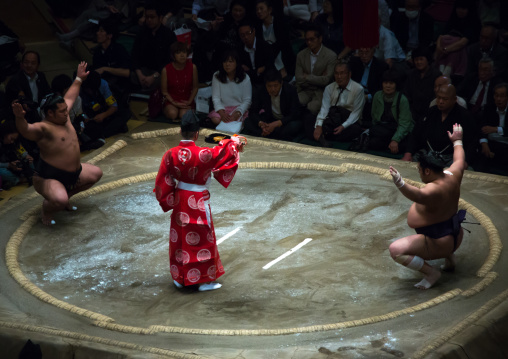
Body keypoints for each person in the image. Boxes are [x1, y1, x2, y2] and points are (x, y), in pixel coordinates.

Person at [154, 111, 246, 291]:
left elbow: (162, 182)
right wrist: (233, 141)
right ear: (197, 134)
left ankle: (180, 278)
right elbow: (223, 153)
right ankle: (203, 280)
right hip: (198, 201)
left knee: (180, 237)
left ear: (181, 131)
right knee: (202, 238)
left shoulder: (170, 154)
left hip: (181, 198)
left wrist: (169, 200)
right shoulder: (204, 154)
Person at [12, 62, 103, 225]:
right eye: (62, 111)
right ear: (50, 113)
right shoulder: (44, 128)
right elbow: (25, 129)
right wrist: (20, 118)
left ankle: (65, 196)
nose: (66, 112)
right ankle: (47, 210)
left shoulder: (63, 114)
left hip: (72, 174)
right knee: (59, 200)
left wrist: (78, 79)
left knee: (96, 173)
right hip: (48, 178)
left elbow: (70, 96)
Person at [388, 123, 467, 289]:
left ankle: (432, 273)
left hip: (439, 242)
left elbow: (418, 195)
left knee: (396, 250)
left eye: (419, 170)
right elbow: (459, 159)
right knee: (441, 218)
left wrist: (400, 183)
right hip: (455, 236)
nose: (419, 172)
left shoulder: (433, 189)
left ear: (427, 171)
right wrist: (457, 141)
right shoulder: (452, 174)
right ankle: (450, 259)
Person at [402, 84, 477, 167]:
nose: (441, 101)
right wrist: (408, 153)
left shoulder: (464, 116)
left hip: (451, 158)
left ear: (454, 99)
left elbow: (472, 142)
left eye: (445, 99)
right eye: (438, 98)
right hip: (428, 154)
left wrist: (465, 161)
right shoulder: (431, 112)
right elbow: (415, 134)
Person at [354, 69, 414, 154]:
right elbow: (374, 118)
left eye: (391, 83)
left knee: (402, 146)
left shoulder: (402, 99)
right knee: (374, 141)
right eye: (385, 83)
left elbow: (404, 124)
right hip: (382, 129)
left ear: (396, 85)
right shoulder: (377, 95)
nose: (388, 86)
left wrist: (395, 140)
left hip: (397, 129)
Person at [308, 62, 365, 143]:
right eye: (336, 73)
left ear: (349, 74)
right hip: (332, 119)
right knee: (309, 118)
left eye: (342, 73)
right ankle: (326, 135)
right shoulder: (329, 88)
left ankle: (326, 137)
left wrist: (343, 126)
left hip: (348, 121)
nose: (339, 77)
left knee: (355, 130)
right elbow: (324, 108)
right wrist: (319, 125)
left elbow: (356, 113)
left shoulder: (358, 89)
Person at [242, 69, 302, 140]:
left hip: (285, 122)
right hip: (270, 120)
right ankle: (268, 132)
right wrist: (261, 124)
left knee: (294, 126)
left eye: (275, 86)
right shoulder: (262, 91)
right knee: (247, 121)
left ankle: (266, 134)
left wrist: (277, 124)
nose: (272, 89)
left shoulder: (290, 90)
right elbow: (253, 111)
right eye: (269, 86)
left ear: (281, 83)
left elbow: (295, 114)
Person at [130, 2, 177, 92]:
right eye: (147, 17)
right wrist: (140, 75)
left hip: (160, 73)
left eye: (152, 17)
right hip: (143, 71)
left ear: (160, 18)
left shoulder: (169, 35)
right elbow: (134, 55)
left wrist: (154, 76)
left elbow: (170, 60)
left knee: (164, 80)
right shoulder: (142, 33)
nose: (149, 20)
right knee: (130, 75)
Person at [295, 26, 337, 117]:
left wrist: (307, 77)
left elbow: (327, 80)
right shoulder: (301, 55)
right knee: (295, 101)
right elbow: (298, 78)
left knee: (313, 107)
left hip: (321, 91)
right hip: (304, 90)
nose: (309, 42)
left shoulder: (331, 56)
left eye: (312, 39)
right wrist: (318, 79)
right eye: (307, 40)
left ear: (320, 39)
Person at [209, 49, 252, 134]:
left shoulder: (245, 77)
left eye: (231, 61)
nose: (227, 64)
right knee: (216, 119)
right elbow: (216, 98)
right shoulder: (217, 76)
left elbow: (247, 100)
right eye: (225, 61)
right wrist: (222, 113)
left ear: (236, 63)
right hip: (223, 109)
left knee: (244, 121)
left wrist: (238, 113)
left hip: (238, 109)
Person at [254, 0, 295, 80]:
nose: (259, 11)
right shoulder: (257, 26)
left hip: (281, 54)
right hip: (267, 56)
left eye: (261, 9)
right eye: (257, 9)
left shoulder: (280, 23)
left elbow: (283, 43)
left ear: (269, 10)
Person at [350, 47, 389, 127]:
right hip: (356, 93)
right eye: (361, 52)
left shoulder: (381, 66)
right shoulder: (354, 62)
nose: (364, 55)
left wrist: (367, 97)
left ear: (373, 51)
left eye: (367, 52)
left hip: (372, 96)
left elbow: (382, 89)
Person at [161, 42, 198, 122]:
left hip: (187, 100)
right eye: (178, 53)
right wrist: (174, 102)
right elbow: (164, 91)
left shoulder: (192, 67)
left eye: (184, 52)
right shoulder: (166, 69)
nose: (182, 55)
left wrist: (189, 102)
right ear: (173, 55)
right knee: (172, 114)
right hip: (171, 100)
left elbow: (195, 87)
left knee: (184, 116)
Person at [403, 46, 442, 123]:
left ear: (427, 60)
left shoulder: (436, 74)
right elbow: (406, 94)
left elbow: (437, 95)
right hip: (413, 112)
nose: (419, 62)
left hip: (431, 112)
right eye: (416, 60)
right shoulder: (410, 74)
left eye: (421, 59)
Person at [476, 83, 508, 173]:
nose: (499, 99)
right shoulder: (489, 108)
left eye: (502, 96)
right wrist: (484, 143)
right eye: (496, 95)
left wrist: (496, 129)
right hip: (491, 143)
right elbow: (481, 127)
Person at [237, 21, 275, 87]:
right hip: (248, 83)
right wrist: (257, 72)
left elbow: (269, 67)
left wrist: (250, 71)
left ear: (254, 31)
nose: (246, 37)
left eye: (248, 33)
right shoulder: (239, 49)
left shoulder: (265, 46)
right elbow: (242, 70)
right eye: (242, 35)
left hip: (266, 81)